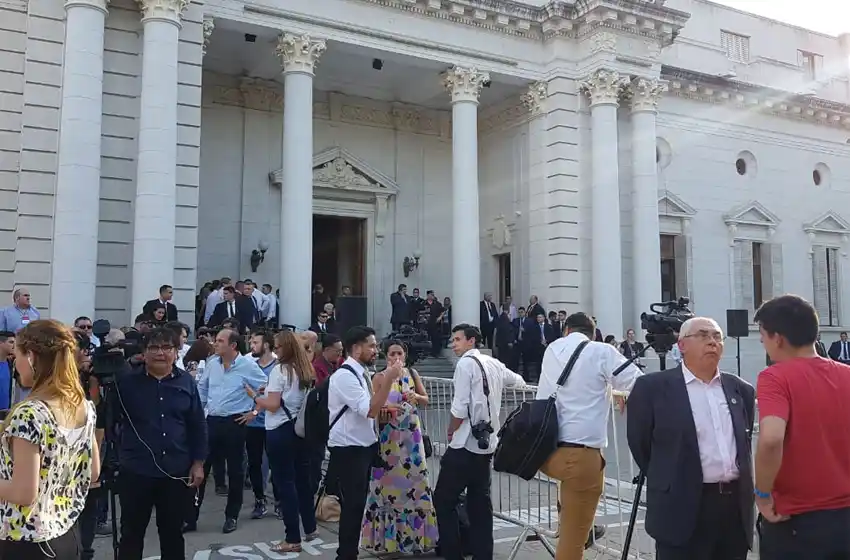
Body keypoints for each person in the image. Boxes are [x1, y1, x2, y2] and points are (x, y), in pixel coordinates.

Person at [627, 317, 755, 560]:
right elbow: (641, 446)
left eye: (717, 337)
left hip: (733, 509)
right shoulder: (652, 388)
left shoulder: (741, 389)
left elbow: (744, 442)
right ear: (682, 345)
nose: (712, 342)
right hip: (680, 508)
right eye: (703, 335)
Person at [536, 312, 640, 560]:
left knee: (571, 517)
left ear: (567, 330)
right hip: (581, 455)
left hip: (546, 450)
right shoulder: (600, 351)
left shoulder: (552, 348)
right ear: (592, 334)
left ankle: (580, 523)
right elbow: (637, 382)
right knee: (572, 546)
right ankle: (581, 526)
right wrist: (620, 393)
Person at [753, 295, 850, 559]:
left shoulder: (775, 377)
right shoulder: (846, 374)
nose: (763, 343)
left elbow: (771, 439)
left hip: (797, 519)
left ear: (778, 338)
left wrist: (762, 494)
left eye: (763, 336)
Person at [0, 319, 99, 559]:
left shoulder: (30, 413)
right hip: (65, 534)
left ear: (32, 357)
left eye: (18, 355)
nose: (16, 363)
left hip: (25, 538)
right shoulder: (83, 406)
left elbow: (24, 492)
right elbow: (93, 471)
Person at [433, 323, 526, 560]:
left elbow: (460, 406)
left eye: (457, 340)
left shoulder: (465, 364)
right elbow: (518, 381)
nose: (453, 344)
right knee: (480, 506)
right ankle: (483, 555)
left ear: (471, 341)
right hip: (485, 445)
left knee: (444, 500)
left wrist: (451, 429)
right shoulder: (492, 363)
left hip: (464, 443)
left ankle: (452, 553)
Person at [114, 327, 207, 558]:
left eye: (167, 347)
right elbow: (109, 421)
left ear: (176, 352)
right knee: (131, 534)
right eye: (153, 348)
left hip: (175, 471)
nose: (160, 353)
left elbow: (197, 425)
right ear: (143, 353)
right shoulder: (126, 382)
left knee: (172, 534)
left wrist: (198, 463)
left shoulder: (186, 382)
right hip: (136, 471)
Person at [327, 326, 402, 560]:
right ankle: (346, 554)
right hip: (349, 449)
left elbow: (370, 408)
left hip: (363, 447)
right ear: (356, 348)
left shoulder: (361, 372)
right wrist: (389, 378)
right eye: (371, 345)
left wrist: (386, 408)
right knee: (351, 506)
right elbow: (369, 409)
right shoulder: (344, 376)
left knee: (357, 505)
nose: (375, 350)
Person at [361, 340, 438, 554]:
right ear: (386, 356)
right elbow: (374, 405)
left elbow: (426, 400)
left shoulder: (412, 374)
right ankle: (386, 540)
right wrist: (388, 407)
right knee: (387, 486)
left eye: (400, 353)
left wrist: (417, 396)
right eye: (392, 353)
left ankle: (417, 538)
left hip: (411, 438)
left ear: (405, 355)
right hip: (389, 438)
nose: (396, 357)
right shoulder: (379, 377)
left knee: (416, 483)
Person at [246, 330, 318, 553]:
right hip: (300, 429)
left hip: (279, 430)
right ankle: (310, 528)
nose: (275, 350)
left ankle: (292, 538)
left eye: (277, 347)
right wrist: (267, 390)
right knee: (302, 482)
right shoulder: (304, 368)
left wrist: (255, 396)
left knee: (284, 484)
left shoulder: (280, 370)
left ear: (285, 348)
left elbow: (274, 405)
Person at [195, 328, 267, 533]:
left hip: (235, 421)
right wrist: (199, 415)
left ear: (233, 345)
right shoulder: (212, 364)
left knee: (235, 471)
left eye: (219, 341)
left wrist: (254, 411)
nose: (215, 344)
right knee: (201, 467)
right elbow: (202, 389)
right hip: (211, 421)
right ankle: (190, 517)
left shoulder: (247, 366)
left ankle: (231, 516)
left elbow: (266, 388)